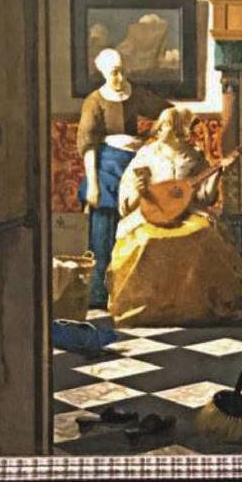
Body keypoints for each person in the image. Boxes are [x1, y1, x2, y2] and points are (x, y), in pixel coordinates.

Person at [107, 106, 242, 326]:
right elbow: (127, 193)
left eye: (166, 126)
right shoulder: (146, 155)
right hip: (150, 211)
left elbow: (203, 197)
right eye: (161, 125)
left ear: (179, 130)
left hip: (187, 212)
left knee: (204, 235)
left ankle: (195, 307)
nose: (159, 129)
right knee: (145, 240)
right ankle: (145, 308)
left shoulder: (193, 156)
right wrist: (139, 190)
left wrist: (219, 171)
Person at [76, 48, 169, 308]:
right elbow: (88, 145)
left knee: (140, 229)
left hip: (136, 164)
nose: (119, 77)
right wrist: (93, 184)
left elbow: (166, 112)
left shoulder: (135, 93)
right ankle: (98, 294)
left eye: (122, 71)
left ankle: (134, 293)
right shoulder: (94, 101)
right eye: (114, 73)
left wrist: (154, 132)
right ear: (104, 73)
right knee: (103, 233)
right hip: (106, 167)